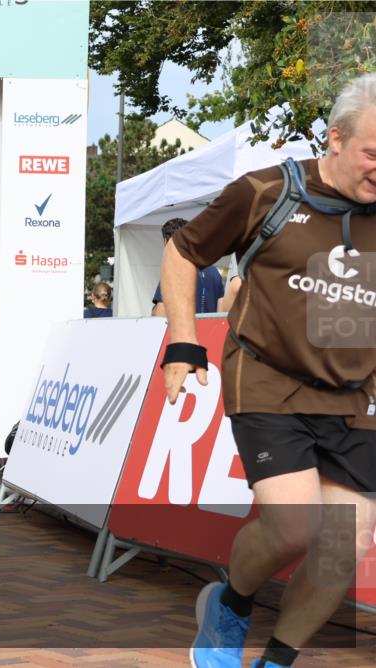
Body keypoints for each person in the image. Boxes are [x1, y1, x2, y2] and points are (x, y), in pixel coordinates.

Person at [160, 73, 376, 668]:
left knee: (346, 542)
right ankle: (231, 604)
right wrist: (183, 341)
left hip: (357, 395)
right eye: (373, 153)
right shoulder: (266, 192)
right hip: (268, 379)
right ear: (336, 138)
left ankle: (277, 660)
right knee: (293, 527)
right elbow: (183, 251)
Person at [151, 217, 224, 316]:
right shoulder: (214, 272)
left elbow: (161, 313)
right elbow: (221, 311)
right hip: (211, 326)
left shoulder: (174, 270)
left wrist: (154, 310)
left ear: (166, 242)